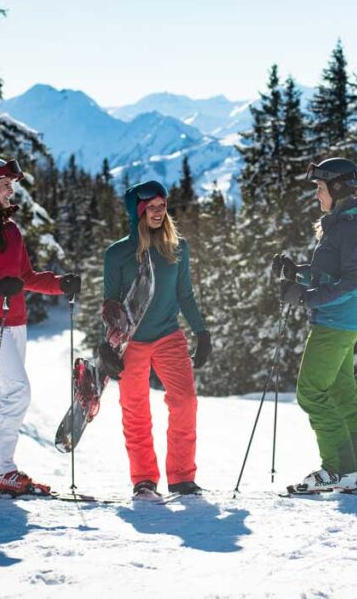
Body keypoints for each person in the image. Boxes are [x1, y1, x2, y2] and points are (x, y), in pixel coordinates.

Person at [0, 157, 81, 495]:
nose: (12, 191)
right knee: (17, 390)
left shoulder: (10, 229)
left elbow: (26, 277)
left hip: (14, 321)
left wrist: (59, 283)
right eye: (5, 185)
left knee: (5, 393)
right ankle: (1, 469)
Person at [274, 157, 357, 493]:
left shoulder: (350, 228)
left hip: (336, 322)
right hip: (342, 320)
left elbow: (350, 281)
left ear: (338, 189)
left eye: (320, 188)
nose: (317, 195)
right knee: (341, 393)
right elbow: (331, 274)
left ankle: (337, 470)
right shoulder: (343, 224)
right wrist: (298, 273)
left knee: (311, 392)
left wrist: (306, 298)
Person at [101, 180, 211, 500]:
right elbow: (110, 303)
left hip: (168, 336)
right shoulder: (117, 254)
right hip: (131, 341)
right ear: (137, 212)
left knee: (185, 402)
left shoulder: (177, 248)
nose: (159, 212)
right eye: (151, 207)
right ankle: (144, 479)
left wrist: (201, 332)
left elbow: (185, 295)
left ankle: (181, 477)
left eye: (162, 206)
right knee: (135, 410)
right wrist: (105, 346)